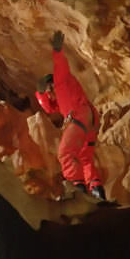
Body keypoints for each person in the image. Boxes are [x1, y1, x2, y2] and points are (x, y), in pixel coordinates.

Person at [35, 30, 106, 200]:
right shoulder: (60, 99)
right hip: (89, 119)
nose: (49, 94)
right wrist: (40, 94)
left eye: (48, 90)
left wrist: (57, 51)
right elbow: (49, 109)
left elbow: (60, 66)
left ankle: (78, 190)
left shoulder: (61, 82)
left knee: (65, 153)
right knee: (84, 158)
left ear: (51, 85)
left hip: (78, 116)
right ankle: (97, 192)